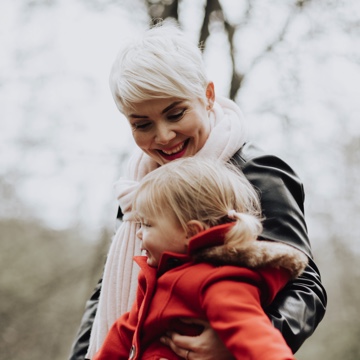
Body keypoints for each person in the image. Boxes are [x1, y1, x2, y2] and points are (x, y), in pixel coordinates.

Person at [68, 21, 327, 360]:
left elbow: (304, 285)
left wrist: (231, 347)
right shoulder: (139, 188)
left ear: (206, 96)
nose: (163, 136)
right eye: (142, 124)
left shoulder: (258, 173)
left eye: (175, 114)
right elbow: (107, 290)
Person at [93, 157, 308, 360]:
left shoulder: (216, 280)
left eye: (147, 225)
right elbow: (127, 330)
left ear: (191, 232)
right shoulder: (157, 277)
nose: (139, 233)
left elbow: (257, 338)